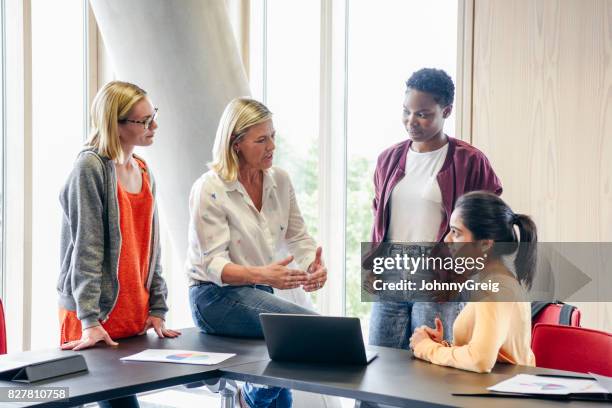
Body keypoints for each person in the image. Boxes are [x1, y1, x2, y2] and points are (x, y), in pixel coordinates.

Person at [187, 97, 327, 408]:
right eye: (261, 140)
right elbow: (211, 264)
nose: (272, 146)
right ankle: (248, 395)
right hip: (214, 296)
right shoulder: (210, 189)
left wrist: (312, 268)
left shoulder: (280, 180)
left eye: (273, 136)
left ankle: (252, 394)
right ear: (236, 144)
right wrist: (263, 274)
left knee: (280, 384)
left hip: (259, 291)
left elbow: (298, 236)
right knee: (311, 330)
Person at [57, 81, 181, 408]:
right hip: (94, 317)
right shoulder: (90, 168)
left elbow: (152, 249)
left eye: (153, 116)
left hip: (132, 316)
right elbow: (87, 247)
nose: (154, 126)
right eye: (144, 121)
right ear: (116, 125)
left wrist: (157, 307)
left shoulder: (142, 169)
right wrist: (89, 321)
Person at [369, 68, 503, 349]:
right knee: (379, 364)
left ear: (447, 110)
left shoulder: (470, 161)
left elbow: (489, 225)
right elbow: (379, 216)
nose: (411, 121)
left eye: (423, 113)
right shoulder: (388, 159)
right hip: (391, 270)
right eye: (406, 111)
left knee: (430, 364)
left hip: (440, 273)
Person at [409, 191, 537, 373]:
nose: (447, 239)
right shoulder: (493, 281)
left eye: (456, 233)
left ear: (485, 244)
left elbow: (480, 360)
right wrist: (443, 347)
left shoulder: (496, 288)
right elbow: (492, 352)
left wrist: (427, 348)